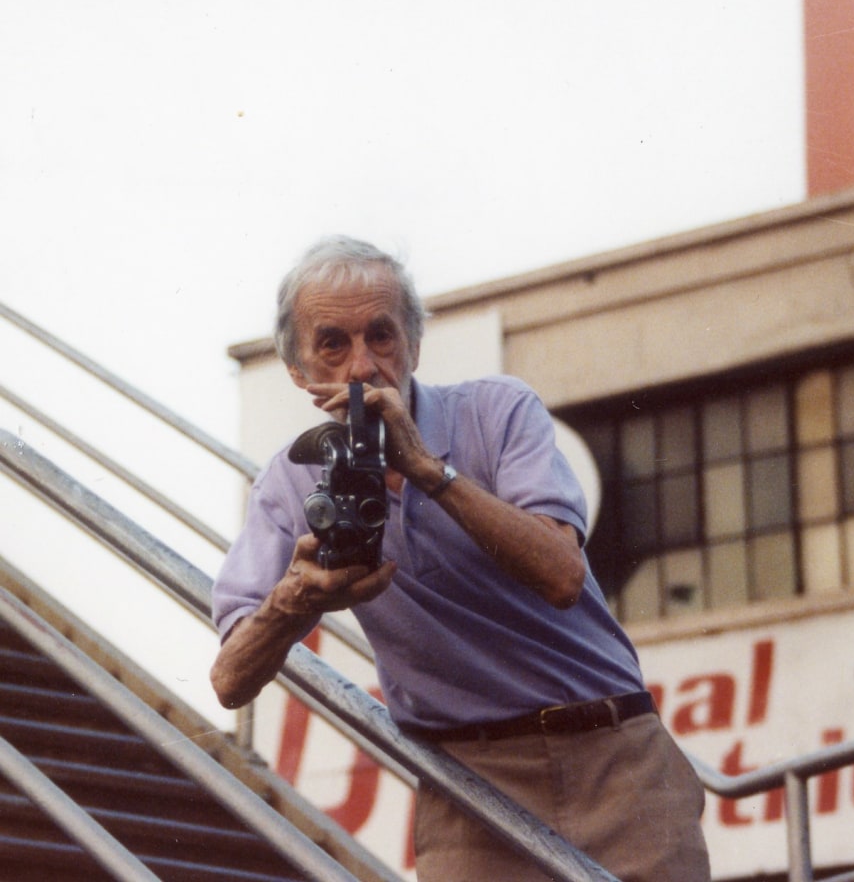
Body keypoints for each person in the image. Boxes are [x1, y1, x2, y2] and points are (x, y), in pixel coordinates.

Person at [211, 236, 710, 882]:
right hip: (470, 786)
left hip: (612, 756)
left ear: (414, 347)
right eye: (333, 343)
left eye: (381, 337)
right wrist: (295, 600)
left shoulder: (498, 412)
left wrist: (426, 469)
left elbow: (562, 575)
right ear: (300, 373)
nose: (362, 367)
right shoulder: (288, 482)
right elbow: (229, 680)